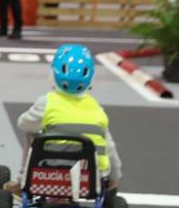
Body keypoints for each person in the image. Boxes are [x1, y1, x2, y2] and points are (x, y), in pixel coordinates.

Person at [12, 44, 121, 192]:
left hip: (50, 169)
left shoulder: (47, 102)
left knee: (32, 133)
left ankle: (22, 182)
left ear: (53, 74)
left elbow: (23, 124)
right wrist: (115, 176)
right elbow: (110, 147)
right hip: (90, 175)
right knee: (102, 138)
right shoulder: (97, 109)